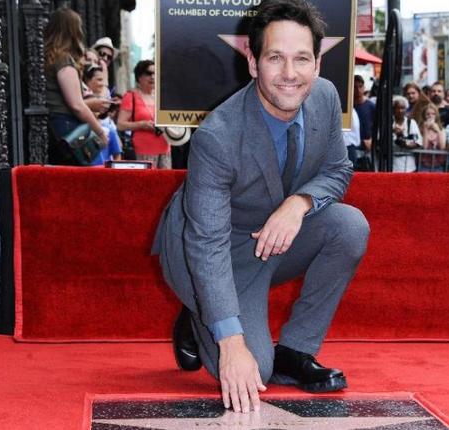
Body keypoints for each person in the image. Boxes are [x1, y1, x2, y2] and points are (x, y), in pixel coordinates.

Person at [151, 0, 369, 415]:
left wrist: (299, 202)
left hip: (271, 240)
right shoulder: (218, 136)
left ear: (317, 64)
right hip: (209, 252)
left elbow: (338, 170)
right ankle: (199, 313)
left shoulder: (324, 97)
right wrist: (231, 343)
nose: (290, 73)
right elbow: (207, 243)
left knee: (349, 226)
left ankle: (296, 350)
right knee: (252, 368)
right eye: (275, 58)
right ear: (253, 63)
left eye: (301, 58)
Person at [44, 8, 108, 165]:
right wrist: (100, 131)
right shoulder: (64, 60)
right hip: (66, 126)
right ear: (73, 31)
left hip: (56, 124)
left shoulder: (48, 57)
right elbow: (76, 104)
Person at [117, 60, 171, 168]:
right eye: (148, 73)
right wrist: (141, 124)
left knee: (165, 183)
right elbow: (120, 125)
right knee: (147, 183)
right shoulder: (130, 96)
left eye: (155, 73)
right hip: (143, 150)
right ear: (139, 77)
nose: (153, 77)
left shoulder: (162, 96)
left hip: (165, 149)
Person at [83, 65, 122, 165]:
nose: (103, 84)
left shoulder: (109, 129)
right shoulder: (82, 129)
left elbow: (117, 154)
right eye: (99, 79)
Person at [391, 95, 422, 172]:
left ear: (406, 109)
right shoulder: (388, 122)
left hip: (408, 163)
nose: (400, 111)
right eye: (397, 108)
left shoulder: (411, 123)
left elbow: (417, 141)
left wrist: (404, 142)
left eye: (402, 108)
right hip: (391, 161)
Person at [417, 103, 447, 172]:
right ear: (424, 115)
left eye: (433, 114)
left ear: (436, 116)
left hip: (438, 165)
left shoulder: (441, 129)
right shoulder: (420, 129)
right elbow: (424, 147)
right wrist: (425, 130)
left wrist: (438, 130)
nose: (430, 116)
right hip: (424, 165)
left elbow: (442, 146)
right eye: (428, 114)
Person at [353, 74, 375, 153]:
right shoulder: (348, 107)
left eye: (360, 86)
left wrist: (372, 140)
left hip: (368, 147)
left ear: (364, 87)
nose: (358, 90)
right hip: (353, 146)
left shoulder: (371, 106)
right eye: (355, 87)